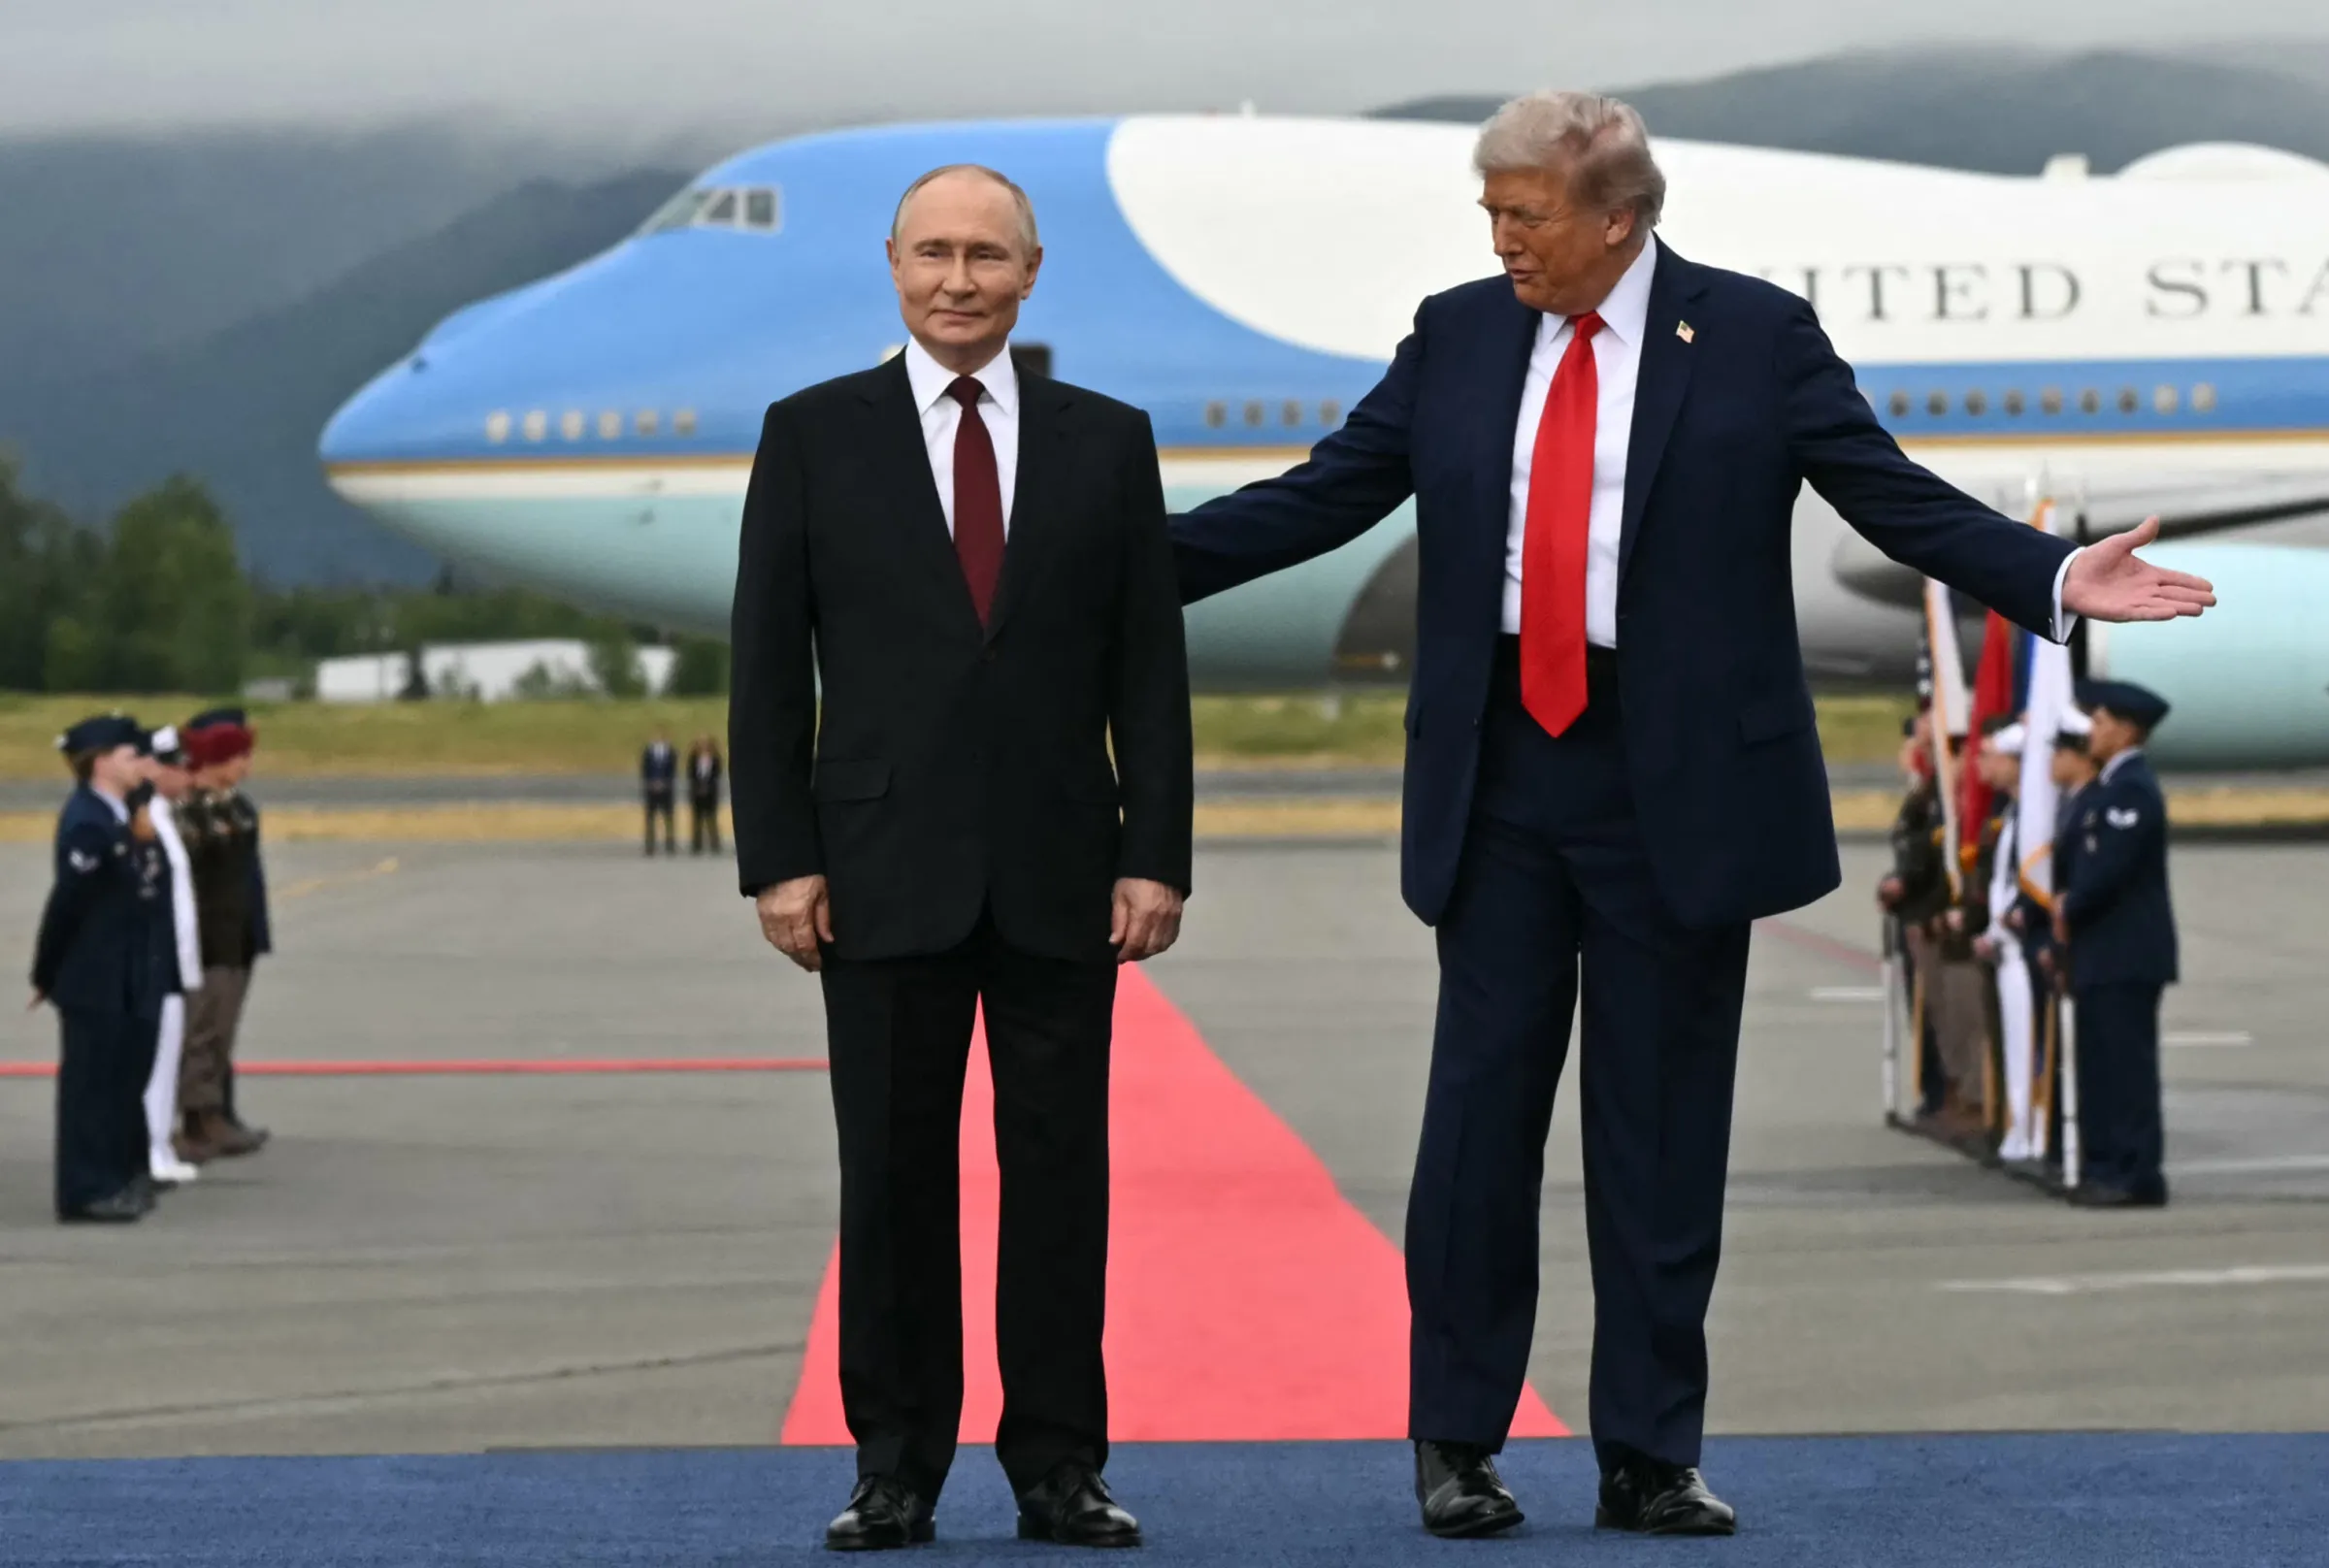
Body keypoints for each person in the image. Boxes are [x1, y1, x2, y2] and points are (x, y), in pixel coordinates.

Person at [1166, 89, 2213, 1538]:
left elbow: (1888, 496)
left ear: (1619, 219)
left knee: (1660, 1138)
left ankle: (1649, 1455)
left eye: (1524, 216)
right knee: (1476, 1131)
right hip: (1500, 786)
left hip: (1676, 793)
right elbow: (1322, 498)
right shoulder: (1459, 332)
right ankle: (1457, 1445)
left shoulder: (1754, 338)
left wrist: (2044, 579)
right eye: (1491, 213)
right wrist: (1112, 569)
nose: (1501, 241)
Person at [728, 163, 1191, 1552]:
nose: (959, 279)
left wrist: (1154, 851)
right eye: (933, 252)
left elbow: (1146, 668)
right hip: (872, 879)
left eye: (988, 255)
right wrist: (778, 860)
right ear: (892, 265)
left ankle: (1060, 1466)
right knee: (892, 1186)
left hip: (1064, 877)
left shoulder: (1109, 441)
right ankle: (895, 1468)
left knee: (1062, 1187)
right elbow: (766, 667)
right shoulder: (811, 435)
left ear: (1031, 273)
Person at [29, 716, 177, 1223]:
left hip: (126, 971)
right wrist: (46, 972)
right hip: (94, 975)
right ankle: (85, 1190)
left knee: (120, 1080)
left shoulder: (120, 814)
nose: (140, 762)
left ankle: (116, 1174)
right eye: (129, 754)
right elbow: (68, 903)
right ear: (100, 761)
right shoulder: (87, 820)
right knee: (90, 1089)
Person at [2055, 680, 2177, 1208]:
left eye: (2101, 722)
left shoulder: (2132, 790)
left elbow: (2110, 869)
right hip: (2100, 951)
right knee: (2101, 1067)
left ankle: (2136, 1174)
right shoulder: (2107, 789)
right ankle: (2105, 1164)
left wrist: (2069, 905)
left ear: (2127, 730)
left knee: (2127, 1071)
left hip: (2127, 952)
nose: (2093, 732)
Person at [176, 716, 270, 1161]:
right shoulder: (189, 811)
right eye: (238, 757)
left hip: (235, 936)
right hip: (205, 940)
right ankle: (196, 1118)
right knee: (201, 1031)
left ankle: (213, 1112)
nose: (246, 766)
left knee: (221, 1033)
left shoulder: (235, 807)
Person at [1967, 719, 2038, 1162]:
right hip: (2006, 946)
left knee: (2028, 1044)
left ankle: (2033, 1133)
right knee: (2012, 1045)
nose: (1983, 763)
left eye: (1993, 755)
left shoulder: (2032, 813)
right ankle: (2019, 1130)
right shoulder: (2010, 811)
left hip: (2025, 948)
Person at [142, 726, 206, 1188]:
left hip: (172, 962)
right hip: (154, 963)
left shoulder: (162, 817)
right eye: (179, 766)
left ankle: (159, 1147)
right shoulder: (145, 820)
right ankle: (150, 1150)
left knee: (165, 1063)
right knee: (152, 1066)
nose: (187, 775)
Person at [641, 728, 678, 856]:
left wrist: (665, 783)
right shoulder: (648, 752)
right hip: (651, 790)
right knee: (650, 818)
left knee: (668, 818)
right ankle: (650, 845)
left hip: (666, 789)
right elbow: (645, 769)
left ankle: (670, 844)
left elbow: (672, 770)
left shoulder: (670, 752)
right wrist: (651, 783)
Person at [686, 735, 724, 854]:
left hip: (710, 793)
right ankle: (697, 845)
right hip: (697, 793)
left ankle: (715, 844)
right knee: (697, 820)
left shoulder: (715, 759)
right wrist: (698, 787)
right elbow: (691, 774)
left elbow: (716, 775)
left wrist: (707, 787)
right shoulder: (693, 759)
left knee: (711, 819)